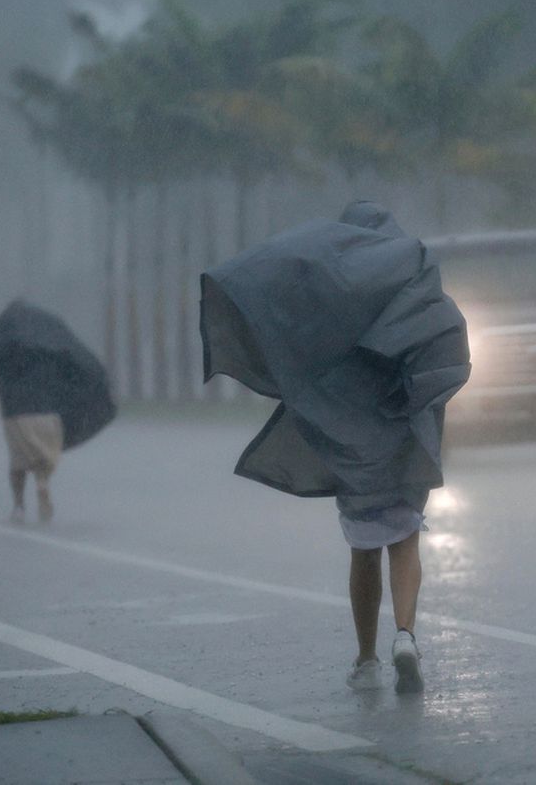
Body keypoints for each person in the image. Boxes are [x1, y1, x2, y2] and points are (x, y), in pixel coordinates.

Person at [200, 200, 470, 694]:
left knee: (364, 548)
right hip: (407, 435)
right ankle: (406, 635)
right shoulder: (413, 277)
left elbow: (297, 345)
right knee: (406, 538)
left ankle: (366, 659)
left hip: (353, 441)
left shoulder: (331, 293)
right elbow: (443, 344)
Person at [0, 300, 115, 525]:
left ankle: (18, 506)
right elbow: (75, 361)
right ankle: (43, 483)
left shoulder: (6, 348)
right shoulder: (49, 345)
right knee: (43, 458)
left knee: (18, 462)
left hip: (17, 412)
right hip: (47, 412)